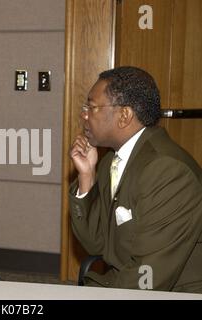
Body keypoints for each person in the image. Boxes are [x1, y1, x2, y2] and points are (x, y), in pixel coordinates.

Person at [69, 66, 202, 293]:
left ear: (124, 116)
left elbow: (148, 278)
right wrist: (86, 176)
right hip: (124, 284)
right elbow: (95, 243)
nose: (84, 114)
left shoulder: (167, 171)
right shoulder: (113, 157)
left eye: (91, 107)